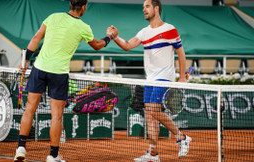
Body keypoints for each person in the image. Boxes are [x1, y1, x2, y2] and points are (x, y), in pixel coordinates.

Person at [14, 0, 115, 162]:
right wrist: (110, 36)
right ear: (83, 7)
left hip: (39, 68)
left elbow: (35, 37)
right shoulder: (83, 27)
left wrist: (25, 59)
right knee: (56, 116)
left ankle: (20, 148)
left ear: (70, 4)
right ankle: (53, 155)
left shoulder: (53, 17)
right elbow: (97, 45)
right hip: (58, 73)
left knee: (29, 110)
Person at [107, 0, 192, 161]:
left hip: (164, 78)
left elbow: (181, 53)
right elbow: (127, 45)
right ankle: (153, 153)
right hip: (150, 79)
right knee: (150, 115)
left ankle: (181, 137)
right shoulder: (144, 32)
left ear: (156, 8)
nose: (144, 10)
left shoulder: (170, 29)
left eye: (147, 6)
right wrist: (115, 37)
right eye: (143, 7)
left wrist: (182, 77)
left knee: (153, 110)